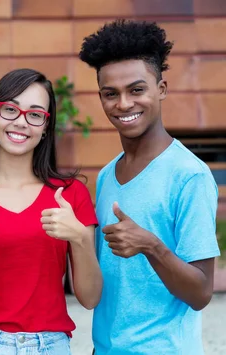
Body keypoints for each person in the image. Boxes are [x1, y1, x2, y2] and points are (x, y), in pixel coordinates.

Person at [0, 68, 103, 355]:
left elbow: (89, 299)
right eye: (10, 109)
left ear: (45, 127)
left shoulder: (70, 195)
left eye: (35, 114)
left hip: (52, 345)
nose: (21, 122)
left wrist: (80, 239)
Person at [79, 19, 220, 355]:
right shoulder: (106, 175)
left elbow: (201, 293)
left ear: (162, 89)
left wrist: (151, 246)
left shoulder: (190, 175)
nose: (123, 104)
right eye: (110, 94)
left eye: (136, 89)